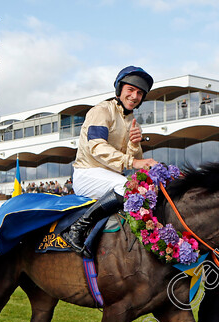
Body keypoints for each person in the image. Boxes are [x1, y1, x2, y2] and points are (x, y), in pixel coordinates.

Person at [61, 66, 158, 257]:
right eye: (130, 90)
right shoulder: (102, 111)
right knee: (128, 188)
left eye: (139, 93)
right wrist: (133, 161)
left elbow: (136, 159)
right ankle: (76, 230)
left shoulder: (132, 121)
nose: (134, 96)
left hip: (110, 178)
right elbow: (97, 147)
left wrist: (134, 144)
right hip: (87, 173)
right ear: (120, 90)